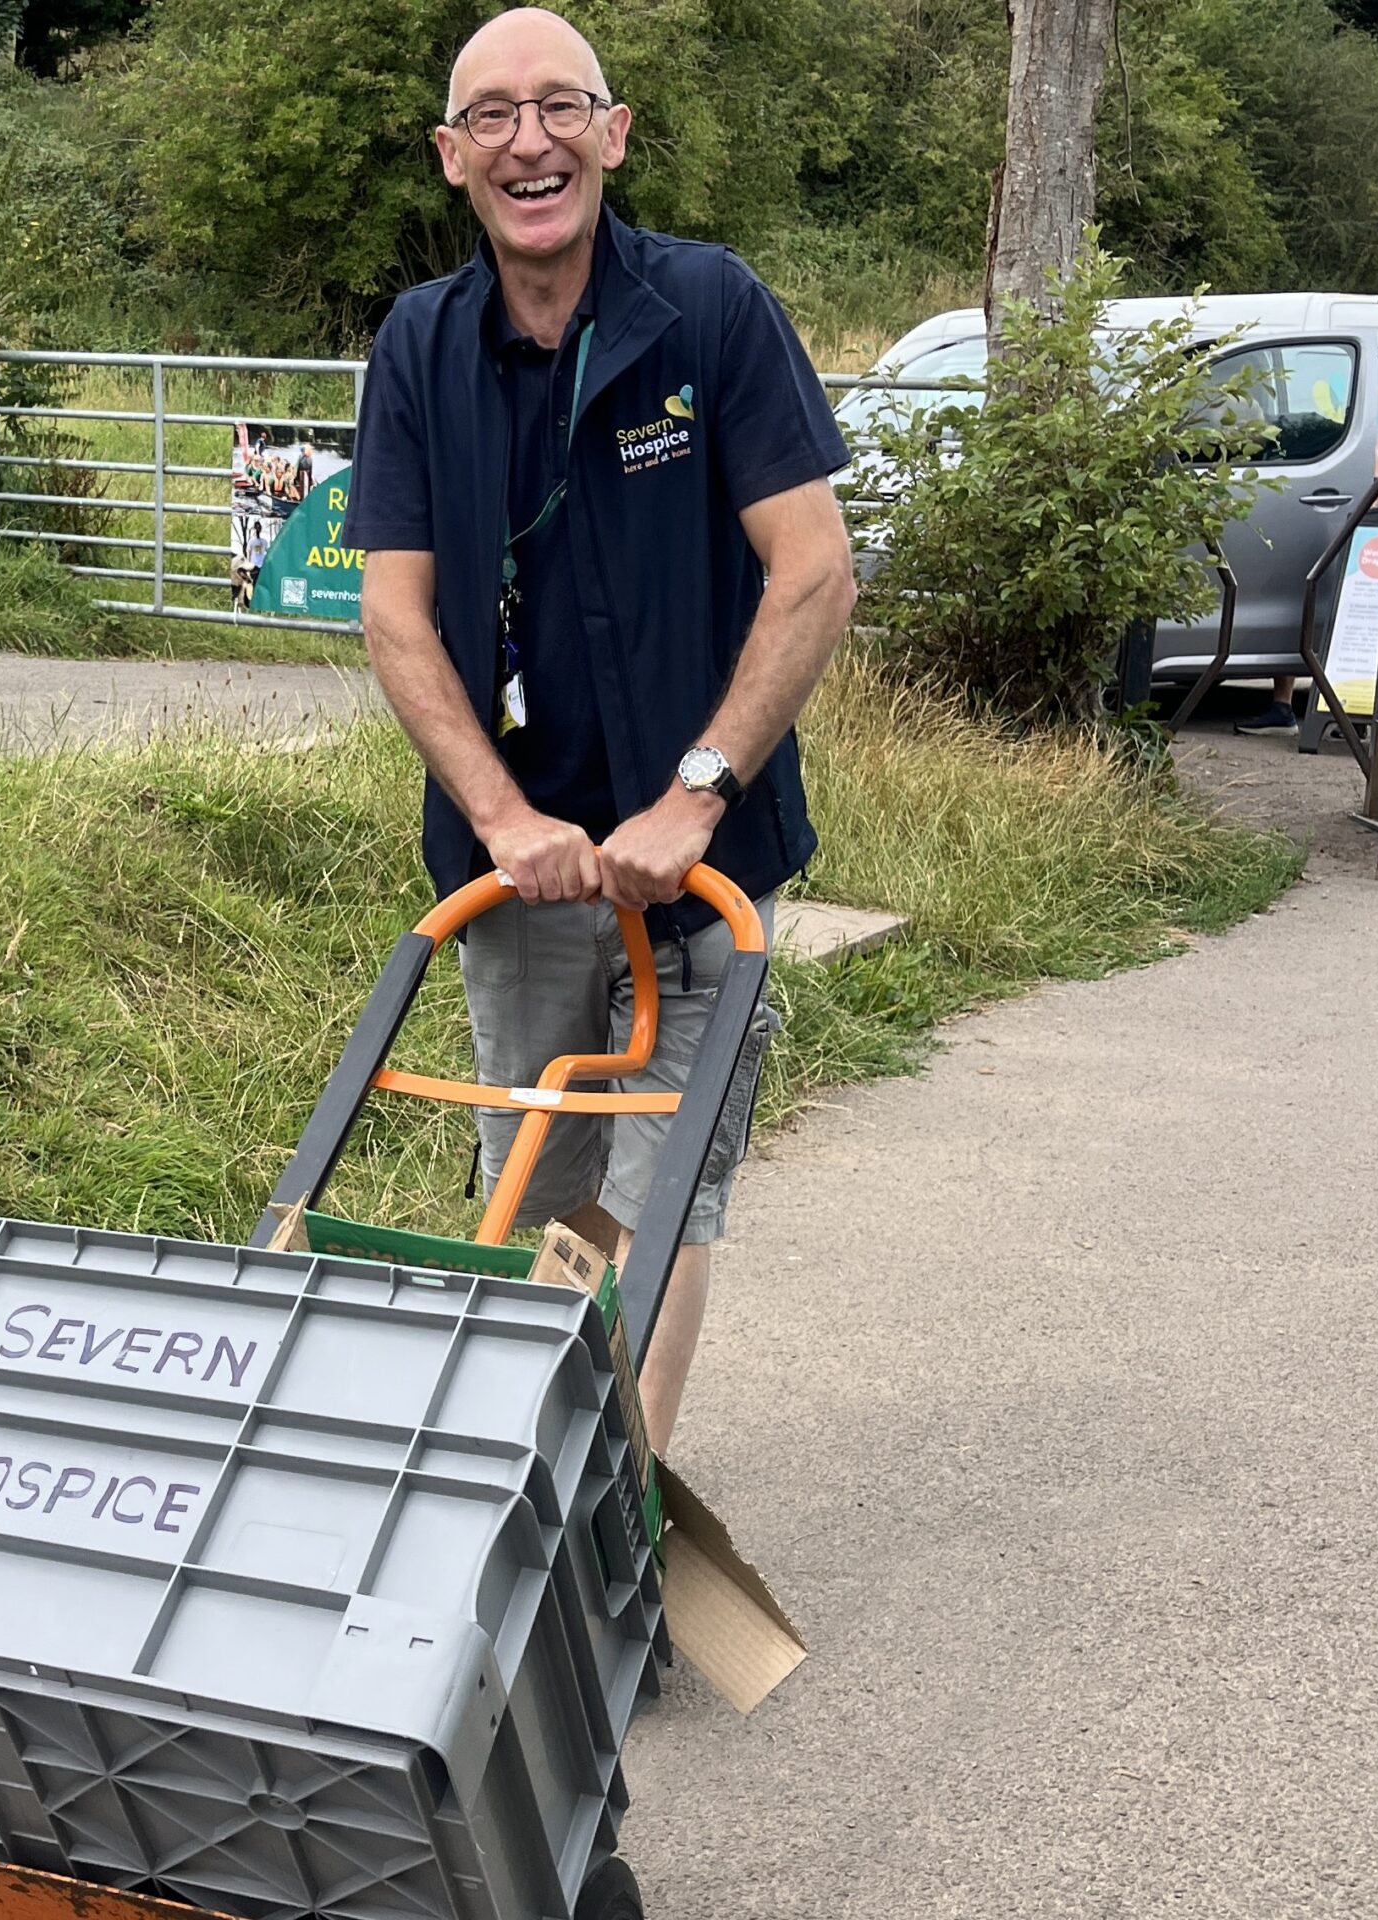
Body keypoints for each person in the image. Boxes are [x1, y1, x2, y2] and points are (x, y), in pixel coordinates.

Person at [344, 6, 858, 1447]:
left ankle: (609, 1509)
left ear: (613, 134)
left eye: (561, 106)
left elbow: (813, 572)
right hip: (516, 874)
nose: (531, 140)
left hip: (700, 870)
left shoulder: (709, 314)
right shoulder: (421, 348)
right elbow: (397, 618)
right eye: (493, 117)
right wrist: (507, 822)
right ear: (454, 159)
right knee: (547, 1181)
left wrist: (695, 797)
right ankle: (550, 1458)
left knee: (664, 1193)